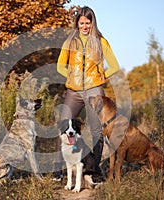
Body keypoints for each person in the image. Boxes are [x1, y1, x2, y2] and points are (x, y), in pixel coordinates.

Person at [53, 6, 120, 181]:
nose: (84, 26)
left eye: (88, 23)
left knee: (97, 130)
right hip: (73, 91)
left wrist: (100, 77)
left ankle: (93, 170)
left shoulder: (100, 41)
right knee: (63, 126)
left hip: (94, 91)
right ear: (77, 23)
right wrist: (70, 76)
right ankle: (59, 170)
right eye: (81, 23)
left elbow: (114, 66)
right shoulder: (70, 42)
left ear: (92, 23)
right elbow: (60, 65)